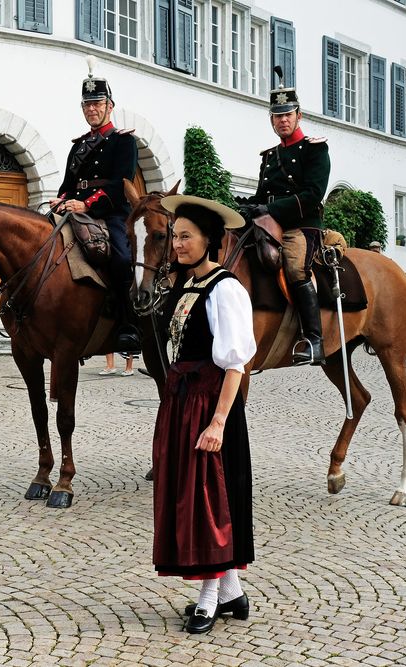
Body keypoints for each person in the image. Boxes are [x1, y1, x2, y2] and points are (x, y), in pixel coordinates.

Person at [152, 194, 257, 636]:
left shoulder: (225, 288)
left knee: (209, 501)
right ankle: (232, 592)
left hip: (210, 406)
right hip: (181, 403)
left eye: (186, 236)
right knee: (188, 496)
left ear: (208, 240)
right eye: (174, 237)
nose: (177, 245)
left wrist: (217, 422)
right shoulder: (181, 285)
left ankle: (210, 596)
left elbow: (236, 363)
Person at [50, 56, 140, 352]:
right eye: (87, 104)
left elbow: (120, 184)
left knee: (120, 258)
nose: (92, 109)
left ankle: (129, 325)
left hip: (110, 212)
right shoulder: (78, 145)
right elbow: (68, 184)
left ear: (109, 106)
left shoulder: (123, 142)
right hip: (74, 210)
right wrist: (61, 200)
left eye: (97, 103)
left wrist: (86, 206)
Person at [243, 66, 330, 366]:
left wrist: (271, 209)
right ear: (272, 120)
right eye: (277, 116)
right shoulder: (269, 156)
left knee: (295, 269)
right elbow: (260, 195)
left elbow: (312, 196)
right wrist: (247, 208)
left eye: (287, 114)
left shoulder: (315, 150)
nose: (282, 120)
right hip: (268, 225)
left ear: (298, 116)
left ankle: (314, 340)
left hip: (301, 226)